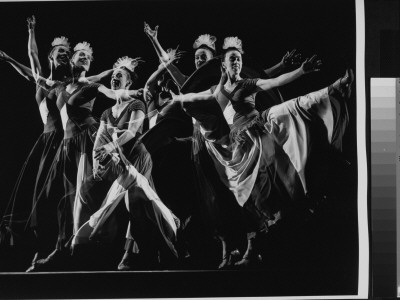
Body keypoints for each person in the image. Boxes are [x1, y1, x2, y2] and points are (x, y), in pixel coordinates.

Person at [171, 36, 353, 268]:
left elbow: (274, 82)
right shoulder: (217, 92)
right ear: (224, 65)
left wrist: (300, 71)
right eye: (232, 60)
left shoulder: (248, 83)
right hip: (239, 145)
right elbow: (195, 97)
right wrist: (177, 97)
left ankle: (335, 86)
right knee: (247, 195)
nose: (236, 63)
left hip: (258, 128)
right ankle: (255, 242)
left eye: (238, 59)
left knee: (290, 108)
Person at [26, 42, 142, 272]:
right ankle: (63, 248)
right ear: (71, 61)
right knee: (61, 199)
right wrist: (9, 60)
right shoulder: (61, 85)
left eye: (88, 57)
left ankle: (93, 250)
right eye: (81, 55)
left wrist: (131, 91)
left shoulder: (92, 84)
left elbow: (112, 91)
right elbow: (33, 73)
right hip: (67, 145)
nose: (85, 59)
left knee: (84, 197)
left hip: (87, 140)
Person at [71, 56, 179, 270]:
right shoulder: (105, 113)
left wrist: (111, 147)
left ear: (129, 82)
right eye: (113, 75)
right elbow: (99, 142)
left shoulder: (136, 103)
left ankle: (129, 254)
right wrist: (98, 164)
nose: (114, 78)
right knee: (122, 201)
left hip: (138, 159)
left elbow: (132, 131)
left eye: (119, 75)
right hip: (120, 164)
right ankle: (151, 240)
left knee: (134, 200)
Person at [0, 15, 72, 269]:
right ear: (51, 56)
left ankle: (62, 247)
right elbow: (31, 59)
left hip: (63, 140)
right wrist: (30, 31)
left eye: (68, 52)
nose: (65, 54)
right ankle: (42, 248)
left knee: (59, 193)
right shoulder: (42, 81)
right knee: (40, 197)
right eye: (60, 51)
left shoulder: (66, 83)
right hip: (45, 141)